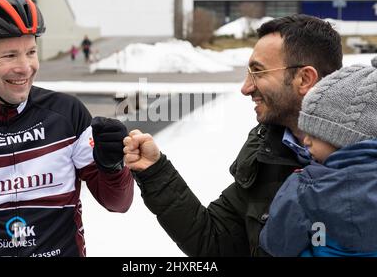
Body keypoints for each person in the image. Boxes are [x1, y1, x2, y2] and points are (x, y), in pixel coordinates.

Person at [123, 14, 343, 256]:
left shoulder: (376, 164)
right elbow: (214, 242)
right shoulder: (266, 150)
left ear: (304, 79)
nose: (246, 88)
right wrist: (155, 171)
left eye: (258, 72)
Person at [0, 0, 133, 257]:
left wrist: (113, 166)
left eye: (31, 52)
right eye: (10, 55)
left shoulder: (67, 115)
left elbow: (118, 203)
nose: (25, 67)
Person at [259, 54, 377, 257]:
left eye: (314, 133)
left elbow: (276, 244)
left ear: (342, 137)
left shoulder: (304, 188)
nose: (306, 141)